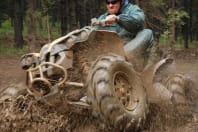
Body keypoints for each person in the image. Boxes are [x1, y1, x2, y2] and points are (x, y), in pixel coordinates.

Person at [94, 0, 154, 71]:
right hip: (108, 56)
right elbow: (92, 33)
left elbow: (139, 22)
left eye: (113, 2)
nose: (110, 5)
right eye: (108, 2)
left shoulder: (132, 9)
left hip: (131, 54)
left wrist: (118, 19)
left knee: (147, 33)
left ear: (121, 2)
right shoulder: (103, 18)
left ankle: (122, 57)